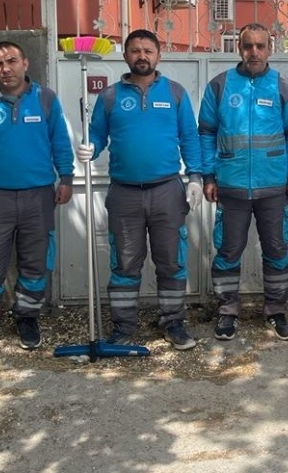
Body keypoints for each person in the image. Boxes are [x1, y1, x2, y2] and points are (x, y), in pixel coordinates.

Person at [76, 29, 203, 350]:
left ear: (158, 55)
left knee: (171, 261)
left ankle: (173, 322)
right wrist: (89, 147)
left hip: (167, 191)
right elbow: (97, 135)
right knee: (124, 262)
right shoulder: (109, 96)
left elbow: (189, 136)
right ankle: (123, 328)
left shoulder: (175, 93)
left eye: (148, 50)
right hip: (125, 194)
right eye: (135, 51)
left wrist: (197, 177)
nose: (142, 56)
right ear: (125, 55)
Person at [0, 41, 74, 350]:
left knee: (35, 260)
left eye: (11, 61)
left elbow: (60, 142)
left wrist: (66, 177)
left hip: (39, 195)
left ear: (25, 63)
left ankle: (27, 318)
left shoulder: (46, 99)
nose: (5, 68)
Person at [198, 23, 288, 341]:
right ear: (239, 49)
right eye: (248, 46)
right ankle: (227, 313)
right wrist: (208, 175)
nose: (254, 52)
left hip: (273, 186)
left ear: (270, 49)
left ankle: (276, 312)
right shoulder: (220, 86)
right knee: (228, 252)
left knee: (276, 250)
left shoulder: (284, 87)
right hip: (230, 186)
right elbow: (205, 132)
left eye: (260, 45)